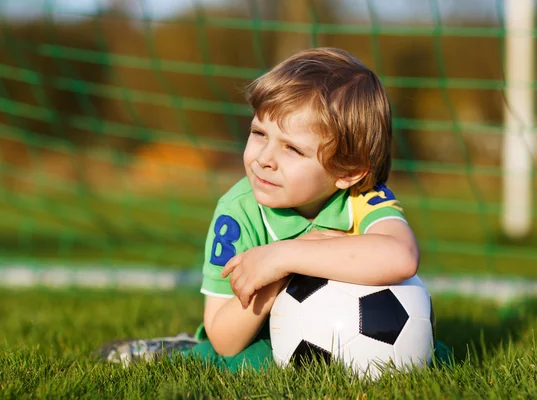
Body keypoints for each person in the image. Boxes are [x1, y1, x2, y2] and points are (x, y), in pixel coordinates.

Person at [96, 47, 449, 370]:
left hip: (339, 334)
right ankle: (176, 349)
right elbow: (224, 338)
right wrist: (273, 275)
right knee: (241, 362)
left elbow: (400, 256)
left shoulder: (364, 198)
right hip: (255, 337)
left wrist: (284, 256)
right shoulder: (238, 213)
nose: (264, 159)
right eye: (259, 134)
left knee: (429, 354)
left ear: (348, 171)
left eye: (292, 149)